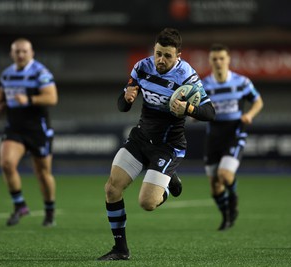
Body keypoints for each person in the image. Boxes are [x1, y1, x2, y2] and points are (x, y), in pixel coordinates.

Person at [98, 28, 215, 261]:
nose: (161, 59)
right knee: (112, 188)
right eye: (158, 53)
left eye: (167, 56)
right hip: (141, 137)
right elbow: (123, 104)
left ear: (178, 56)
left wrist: (189, 109)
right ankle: (120, 249)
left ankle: (167, 183)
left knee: (147, 203)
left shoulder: (187, 76)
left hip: (168, 146)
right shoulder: (142, 67)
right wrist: (127, 99)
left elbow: (210, 112)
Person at [0, 38, 58, 227]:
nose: (21, 54)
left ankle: (49, 211)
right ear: (11, 54)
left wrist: (29, 99)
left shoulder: (41, 72)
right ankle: (19, 205)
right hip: (14, 127)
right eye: (17, 51)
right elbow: (1, 96)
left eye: (24, 51)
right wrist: (1, 105)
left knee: (42, 173)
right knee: (6, 163)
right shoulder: (6, 74)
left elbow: (52, 98)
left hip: (37, 129)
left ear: (31, 53)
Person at [202, 44, 263, 231]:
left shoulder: (241, 82)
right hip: (214, 135)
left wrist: (250, 114)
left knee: (225, 175)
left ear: (228, 60)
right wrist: (194, 115)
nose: (218, 62)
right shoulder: (203, 85)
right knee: (214, 186)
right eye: (215, 59)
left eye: (222, 58)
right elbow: (197, 110)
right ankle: (227, 216)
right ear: (210, 61)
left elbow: (258, 101)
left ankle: (233, 199)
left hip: (235, 132)